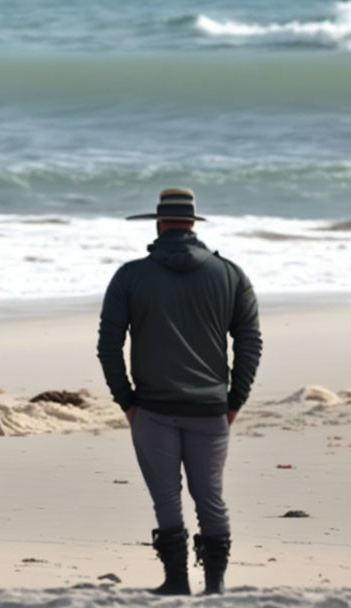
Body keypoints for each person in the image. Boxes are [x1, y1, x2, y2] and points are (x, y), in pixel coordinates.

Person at [97, 188, 262, 595]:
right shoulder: (231, 274)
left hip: (151, 408)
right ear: (193, 224)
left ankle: (175, 582)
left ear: (158, 224)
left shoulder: (130, 276)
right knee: (212, 500)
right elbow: (250, 341)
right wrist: (235, 400)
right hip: (210, 408)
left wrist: (127, 401)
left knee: (167, 500)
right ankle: (216, 585)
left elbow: (108, 345)